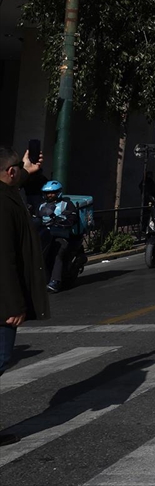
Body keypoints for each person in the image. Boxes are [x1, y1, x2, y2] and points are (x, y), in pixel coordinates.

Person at [1, 146, 50, 446]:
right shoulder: (4, 204)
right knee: (2, 356)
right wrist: (14, 304)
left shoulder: (7, 193)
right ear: (10, 171)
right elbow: (4, 258)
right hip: (3, 301)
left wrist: (26, 172)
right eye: (18, 168)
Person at [36, 180, 79, 294]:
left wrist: (60, 220)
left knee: (57, 253)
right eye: (47, 193)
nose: (49, 195)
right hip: (44, 234)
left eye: (52, 193)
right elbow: (36, 218)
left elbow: (72, 218)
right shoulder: (41, 205)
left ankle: (55, 281)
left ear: (58, 193)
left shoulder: (66, 204)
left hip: (61, 235)